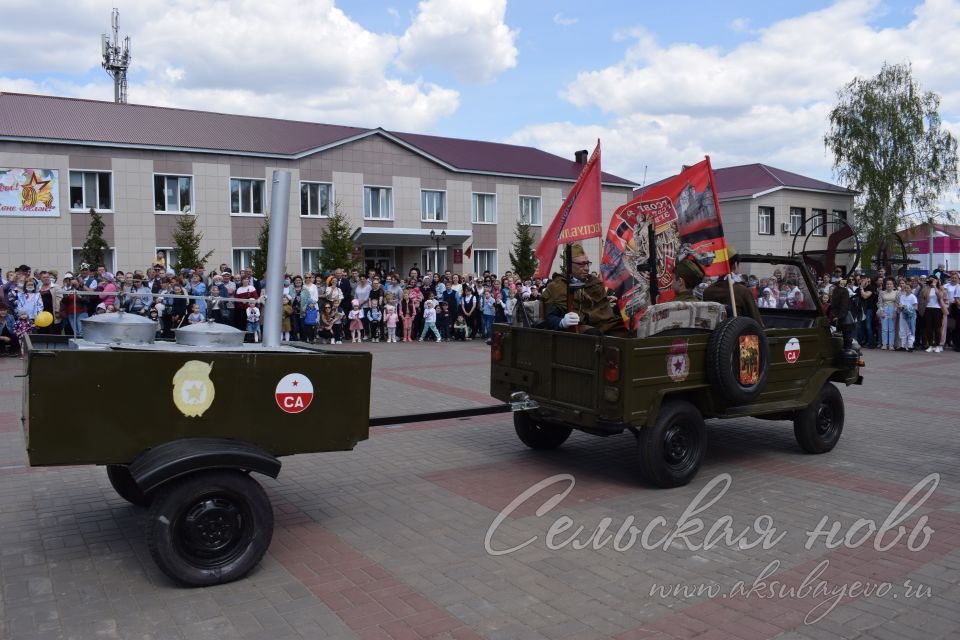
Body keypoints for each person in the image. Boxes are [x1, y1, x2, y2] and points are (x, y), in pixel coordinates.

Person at [541, 243, 623, 335]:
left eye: (587, 264)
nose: (586, 268)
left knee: (627, 329)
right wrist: (562, 322)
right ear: (569, 265)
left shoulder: (595, 283)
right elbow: (549, 316)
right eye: (581, 264)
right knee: (592, 333)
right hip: (577, 328)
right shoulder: (556, 286)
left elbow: (604, 309)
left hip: (603, 323)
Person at [701, 247, 763, 325]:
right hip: (737, 335)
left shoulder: (707, 291)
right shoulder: (742, 291)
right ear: (735, 265)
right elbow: (757, 322)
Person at [828, 279, 854, 350]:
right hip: (841, 317)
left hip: (844, 318)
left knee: (846, 339)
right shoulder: (838, 291)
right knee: (841, 339)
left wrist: (838, 316)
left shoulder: (843, 291)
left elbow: (844, 306)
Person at [877, 278, 899, 350]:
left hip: (893, 309)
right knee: (884, 328)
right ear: (885, 285)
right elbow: (880, 303)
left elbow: (897, 303)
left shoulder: (896, 292)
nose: (889, 285)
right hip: (884, 309)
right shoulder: (882, 292)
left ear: (893, 285)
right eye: (887, 284)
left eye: (890, 284)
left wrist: (895, 311)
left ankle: (891, 345)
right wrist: (881, 311)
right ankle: (884, 344)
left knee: (892, 329)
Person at [897, 282, 918, 352]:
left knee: (910, 330)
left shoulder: (913, 297)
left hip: (910, 316)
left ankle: (910, 345)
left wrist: (906, 307)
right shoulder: (902, 296)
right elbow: (900, 305)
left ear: (911, 289)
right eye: (905, 288)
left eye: (908, 288)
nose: (906, 289)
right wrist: (900, 308)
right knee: (903, 330)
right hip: (903, 315)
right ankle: (903, 345)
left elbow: (915, 307)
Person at [947, 272, 960, 352]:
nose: (954, 279)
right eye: (953, 277)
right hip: (956, 308)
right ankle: (957, 345)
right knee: (957, 327)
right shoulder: (959, 287)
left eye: (956, 278)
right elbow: (957, 299)